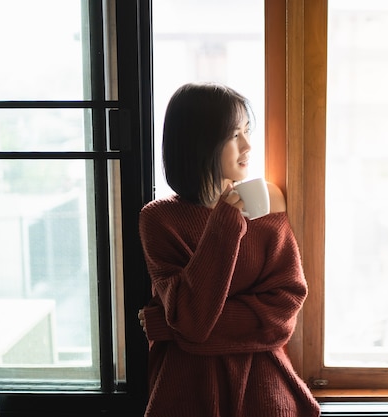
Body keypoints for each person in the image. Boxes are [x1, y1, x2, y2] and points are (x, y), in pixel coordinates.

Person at [137, 82, 320, 417]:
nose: (248, 145)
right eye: (235, 135)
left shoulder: (267, 200)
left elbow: (282, 312)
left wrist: (167, 325)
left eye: (247, 131)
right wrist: (223, 225)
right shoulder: (158, 219)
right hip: (187, 387)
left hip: (263, 385)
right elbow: (192, 320)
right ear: (200, 143)